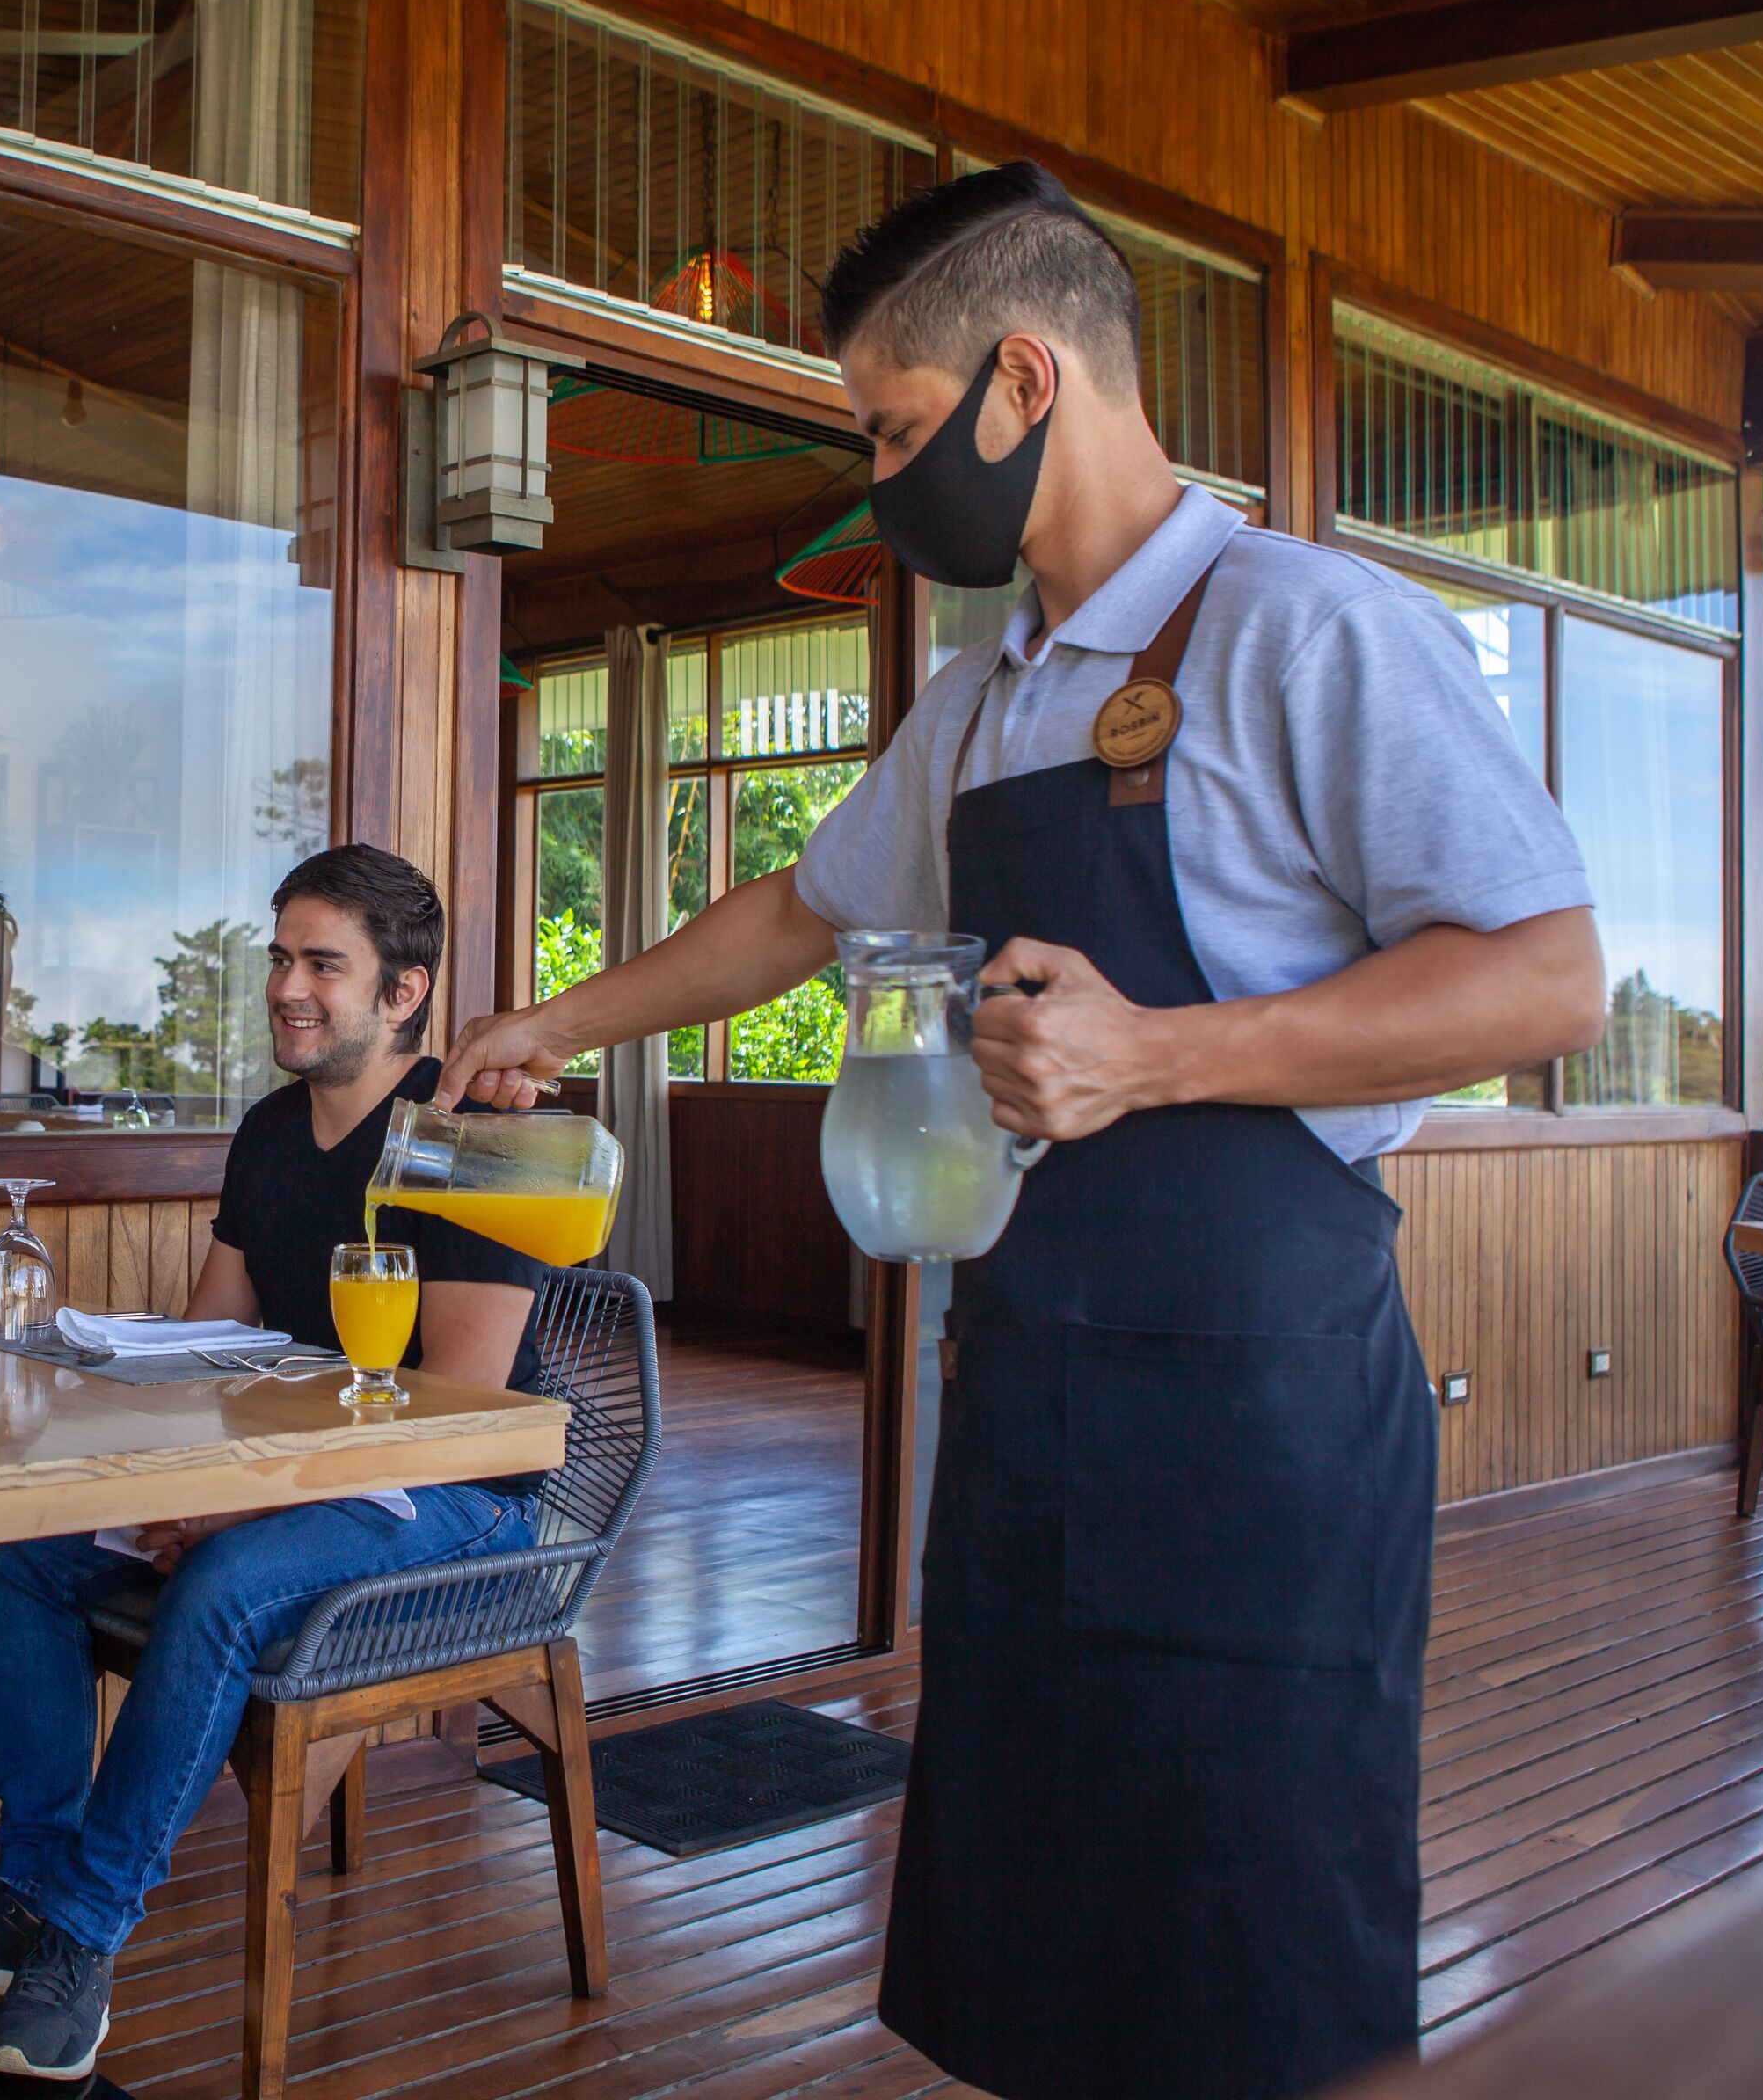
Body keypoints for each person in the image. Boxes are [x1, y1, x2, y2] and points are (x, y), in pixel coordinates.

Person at [442, 164, 1609, 2100]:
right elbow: (799, 912)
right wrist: (550, 1019)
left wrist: (1155, 1052)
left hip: (1262, 1408)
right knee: (1039, 1922)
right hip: (1036, 1383)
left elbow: (1543, 975)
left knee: (1253, 1937)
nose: (887, 479)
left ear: (1023, 376)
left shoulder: (1305, 627)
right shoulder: (983, 701)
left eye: (895, 431)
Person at [0, 844, 551, 2082]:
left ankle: (79, 1935)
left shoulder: (476, 1140)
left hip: (459, 1504)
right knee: (27, 1539)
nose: (288, 986)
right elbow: (208, 1352)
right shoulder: (271, 1132)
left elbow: (452, 1410)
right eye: (281, 957)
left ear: (405, 993)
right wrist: (173, 1482)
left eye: (323, 964)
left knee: (227, 1585)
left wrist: (228, 1503)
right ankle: (20, 1893)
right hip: (288, 1485)